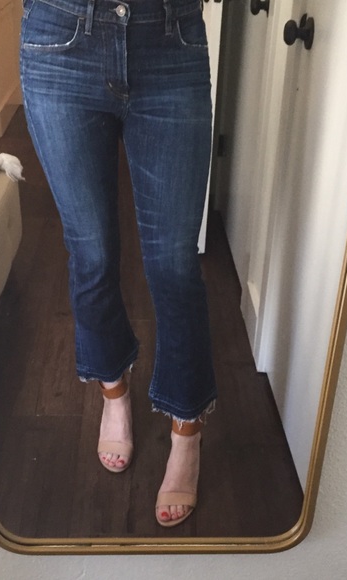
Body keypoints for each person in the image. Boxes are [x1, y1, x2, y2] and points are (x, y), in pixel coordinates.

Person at [20, 0, 217, 527]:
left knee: (175, 264)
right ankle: (114, 390)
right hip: (60, 40)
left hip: (170, 38)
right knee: (91, 252)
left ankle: (187, 430)